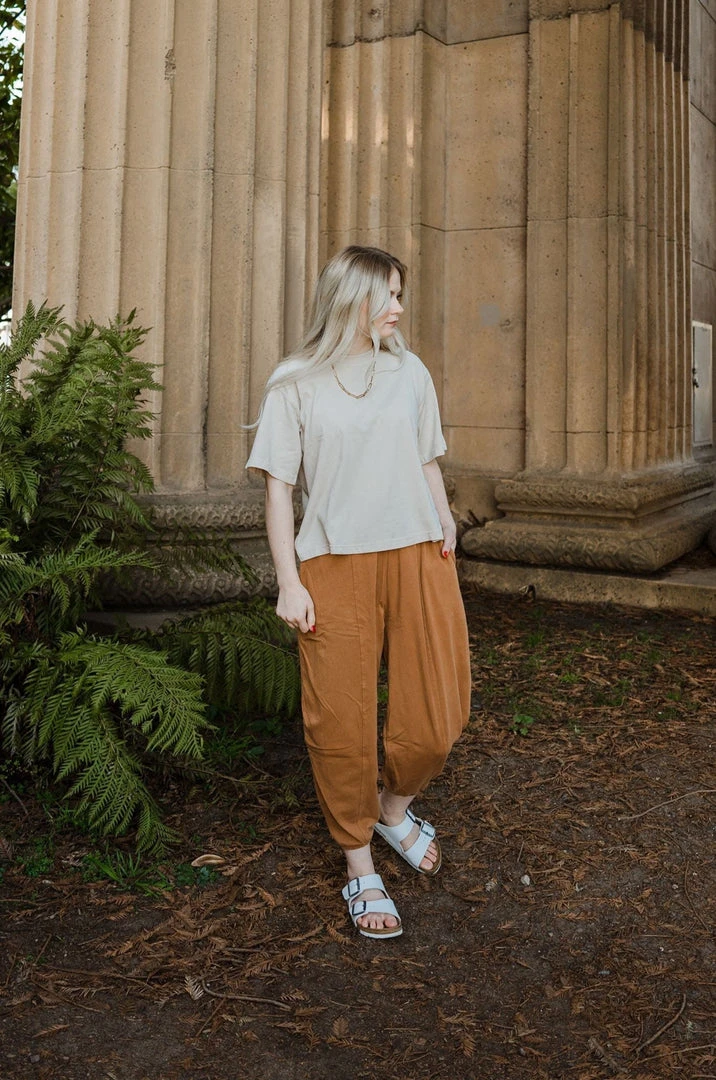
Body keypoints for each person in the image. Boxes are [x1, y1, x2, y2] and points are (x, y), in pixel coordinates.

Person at [246, 245, 471, 939]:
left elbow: (427, 458)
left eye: (400, 293)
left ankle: (394, 810)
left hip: (418, 553)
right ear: (352, 298)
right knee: (339, 720)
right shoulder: (294, 382)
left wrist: (445, 517)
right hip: (333, 563)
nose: (399, 307)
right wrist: (289, 581)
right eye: (388, 294)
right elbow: (279, 492)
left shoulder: (410, 372)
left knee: (436, 716)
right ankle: (359, 862)